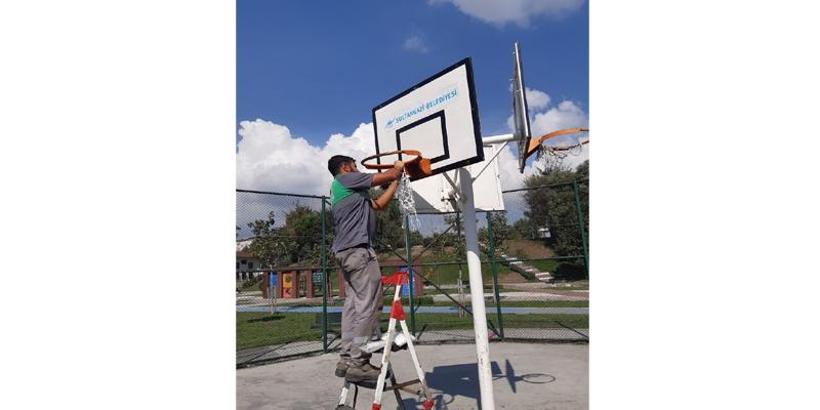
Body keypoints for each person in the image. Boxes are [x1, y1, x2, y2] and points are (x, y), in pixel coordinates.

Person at [327, 154, 404, 384]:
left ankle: (347, 357)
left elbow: (379, 204)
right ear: (344, 167)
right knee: (368, 305)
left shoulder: (350, 193)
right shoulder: (345, 180)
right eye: (354, 165)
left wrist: (395, 182)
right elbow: (390, 173)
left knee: (352, 306)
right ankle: (359, 361)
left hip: (346, 253)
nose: (357, 168)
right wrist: (398, 168)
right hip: (358, 252)